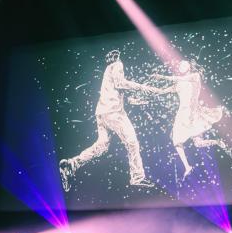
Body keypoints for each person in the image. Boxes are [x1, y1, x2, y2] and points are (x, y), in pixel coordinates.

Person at [59, 50, 159, 192]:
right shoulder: (117, 65)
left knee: (101, 145)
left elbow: (119, 92)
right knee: (132, 142)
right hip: (114, 113)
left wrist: (137, 100)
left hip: (102, 112)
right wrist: (142, 87)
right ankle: (137, 177)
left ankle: (72, 163)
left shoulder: (108, 71)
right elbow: (120, 84)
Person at [153, 59, 230, 181]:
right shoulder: (178, 83)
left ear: (190, 66)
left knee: (196, 142)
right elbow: (162, 91)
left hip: (192, 112)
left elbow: (180, 79)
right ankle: (188, 166)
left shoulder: (195, 76)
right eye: (180, 64)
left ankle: (218, 142)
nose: (180, 66)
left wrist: (162, 77)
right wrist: (144, 89)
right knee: (180, 142)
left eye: (184, 64)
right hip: (182, 114)